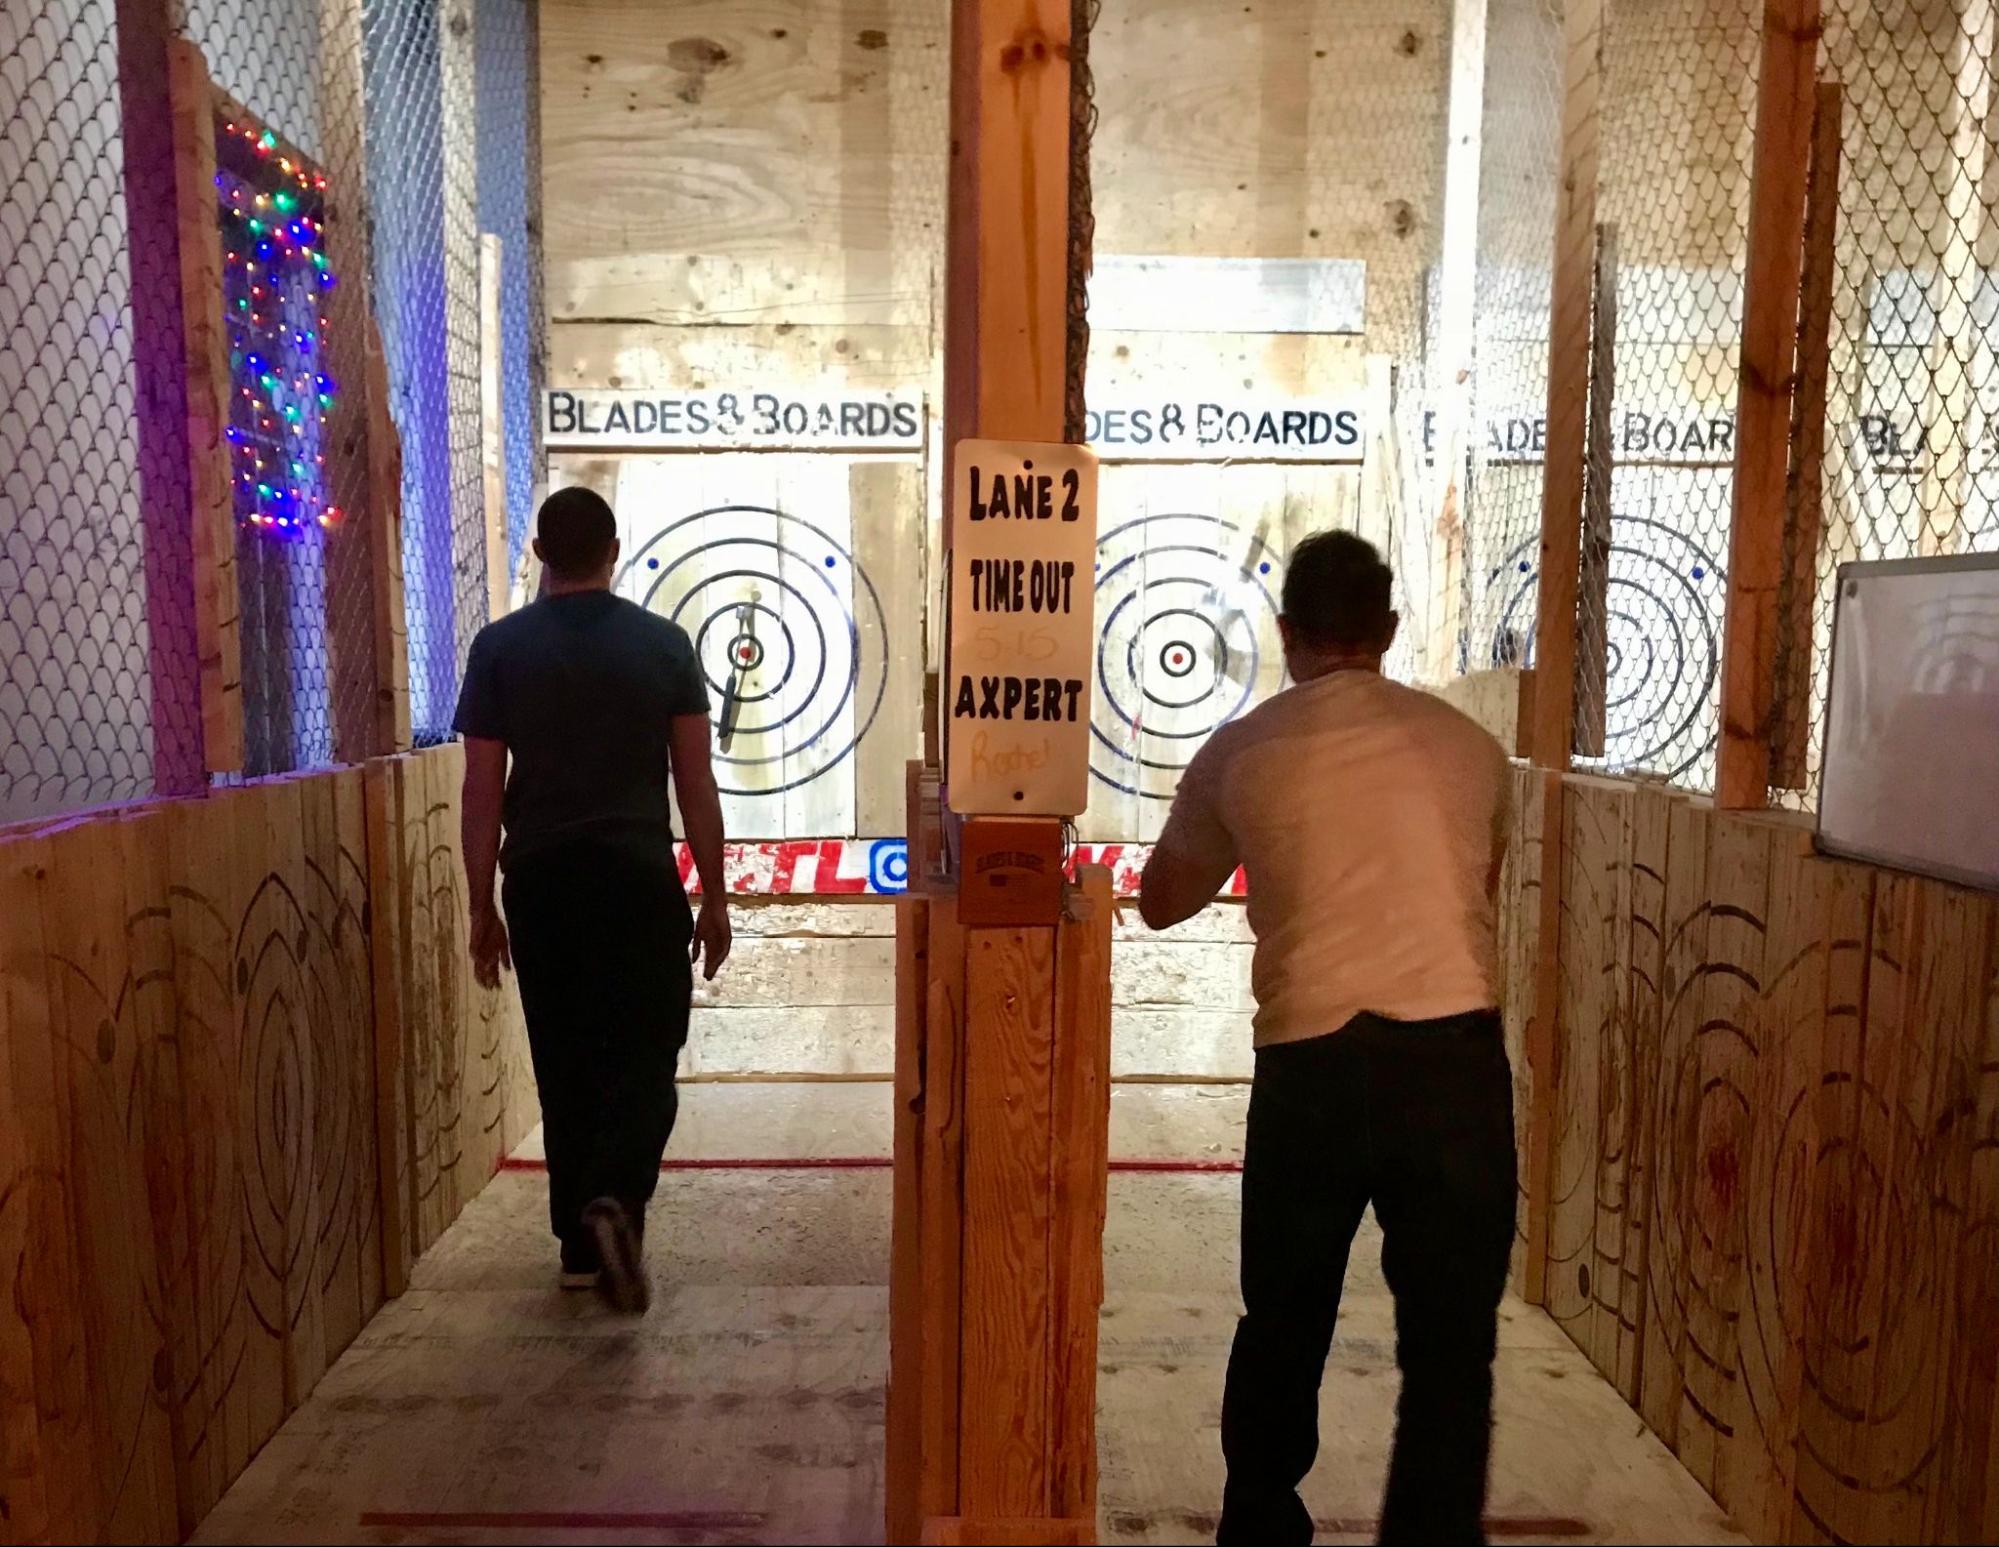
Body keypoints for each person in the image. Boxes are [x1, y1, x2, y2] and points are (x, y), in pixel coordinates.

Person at [1139, 531, 1514, 1547]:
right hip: (1454, 1059)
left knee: (1285, 1319)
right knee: (1450, 1343)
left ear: (1288, 632)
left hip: (1309, 1059)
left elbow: (1162, 901)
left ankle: (1260, 1526)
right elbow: (1471, 895)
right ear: (1386, 631)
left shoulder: (1242, 748)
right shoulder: (1470, 748)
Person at [456, 485, 732, 1314]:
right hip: (633, 874)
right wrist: (713, 895)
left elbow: (480, 789)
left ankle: (580, 1250)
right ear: (615, 552)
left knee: (565, 1059)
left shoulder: (499, 648)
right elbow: (694, 778)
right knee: (645, 1054)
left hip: (539, 878)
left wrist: (480, 904)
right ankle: (616, 1195)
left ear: (539, 555)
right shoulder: (664, 646)